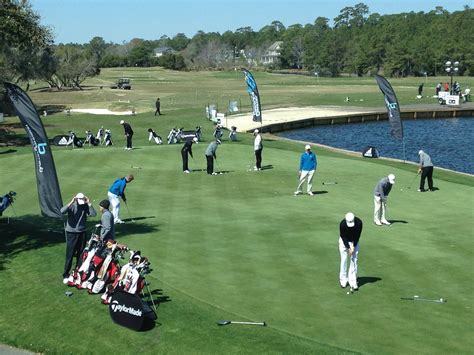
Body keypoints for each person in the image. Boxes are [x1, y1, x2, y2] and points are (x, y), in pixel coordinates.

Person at [61, 192, 97, 284]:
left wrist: (89, 203)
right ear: (76, 199)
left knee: (81, 254)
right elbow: (62, 211)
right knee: (70, 254)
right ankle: (65, 274)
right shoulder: (72, 206)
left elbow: (93, 214)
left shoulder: (85, 206)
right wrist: (71, 202)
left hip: (82, 232)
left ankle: (77, 273)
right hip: (71, 233)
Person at [339, 212, 363, 290]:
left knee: (354, 260)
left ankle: (353, 281)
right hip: (344, 242)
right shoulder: (342, 224)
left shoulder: (359, 223)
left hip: (354, 241)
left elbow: (357, 236)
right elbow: (343, 237)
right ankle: (343, 280)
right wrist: (348, 248)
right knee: (344, 260)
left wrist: (353, 246)